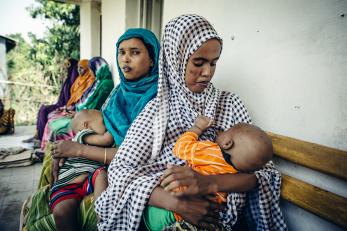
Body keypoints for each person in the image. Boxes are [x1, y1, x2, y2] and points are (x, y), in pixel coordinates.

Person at [95, 14, 287, 231]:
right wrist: (175, 203)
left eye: (214, 63)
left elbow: (264, 175)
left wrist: (210, 183)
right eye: (199, 62)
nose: (207, 72)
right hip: (170, 212)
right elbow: (120, 170)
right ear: (176, 59)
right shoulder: (157, 110)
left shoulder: (230, 104)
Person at [22, 28, 160, 231]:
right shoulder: (118, 92)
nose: (125, 59)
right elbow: (94, 124)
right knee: (53, 157)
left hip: (126, 168)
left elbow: (138, 155)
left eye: (135, 52)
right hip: (98, 158)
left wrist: (77, 150)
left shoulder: (157, 98)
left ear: (152, 59)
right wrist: (65, 152)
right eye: (121, 52)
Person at [143, 115, 273, 230]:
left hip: (170, 213)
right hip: (205, 220)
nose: (219, 132)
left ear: (227, 143)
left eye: (225, 131)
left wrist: (197, 128)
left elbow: (180, 148)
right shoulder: (238, 175)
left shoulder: (210, 151)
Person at [50, 109, 112, 231]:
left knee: (101, 174)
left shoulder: (85, 136)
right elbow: (107, 139)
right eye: (103, 123)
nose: (105, 125)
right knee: (61, 213)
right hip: (68, 184)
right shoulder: (84, 135)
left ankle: (103, 212)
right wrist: (113, 126)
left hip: (89, 179)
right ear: (86, 126)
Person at [22, 59, 79, 144]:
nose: (65, 68)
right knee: (43, 109)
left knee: (45, 111)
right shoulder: (68, 79)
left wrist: (66, 107)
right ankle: (38, 135)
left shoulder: (75, 81)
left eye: (67, 66)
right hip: (60, 104)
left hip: (67, 106)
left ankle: (40, 139)